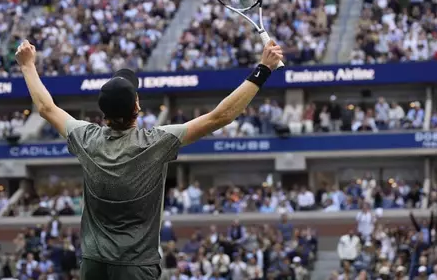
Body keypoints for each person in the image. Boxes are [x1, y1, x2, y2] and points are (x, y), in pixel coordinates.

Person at [15, 39, 283, 280]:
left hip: (93, 263)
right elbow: (220, 117)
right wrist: (262, 70)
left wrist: (28, 65)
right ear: (137, 107)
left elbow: (46, 108)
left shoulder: (86, 139)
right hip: (137, 266)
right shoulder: (155, 143)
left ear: (104, 114)